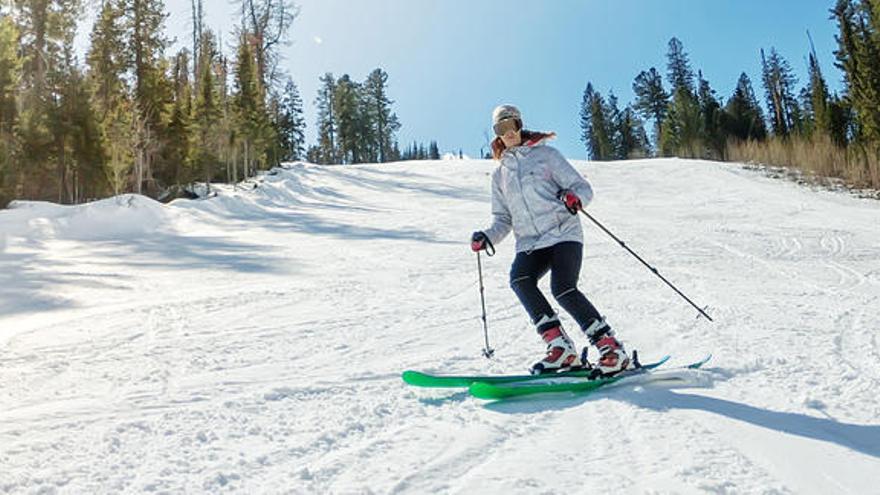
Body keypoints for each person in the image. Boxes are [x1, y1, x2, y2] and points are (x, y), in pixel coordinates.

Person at [470, 104, 630, 376]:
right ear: (496, 134)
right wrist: (487, 236)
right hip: (531, 242)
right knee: (520, 280)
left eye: (511, 125)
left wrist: (574, 199)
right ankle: (561, 349)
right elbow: (503, 219)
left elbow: (582, 188)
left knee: (563, 288)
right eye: (501, 128)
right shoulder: (500, 175)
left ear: (520, 125)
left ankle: (611, 348)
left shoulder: (546, 156)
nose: (508, 132)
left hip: (563, 232)